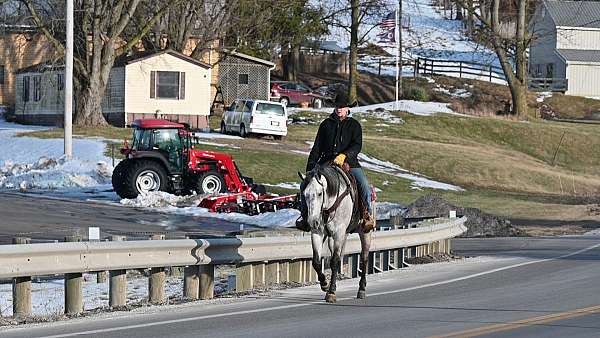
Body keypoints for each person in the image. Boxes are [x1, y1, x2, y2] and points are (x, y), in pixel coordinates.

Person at [296, 90, 375, 232]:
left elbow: (357, 145)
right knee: (305, 185)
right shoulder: (325, 125)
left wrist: (345, 155)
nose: (339, 109)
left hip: (349, 163)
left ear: (347, 108)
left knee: (364, 185)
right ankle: (305, 216)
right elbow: (317, 147)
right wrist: (311, 167)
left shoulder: (354, 125)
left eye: (342, 107)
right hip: (325, 163)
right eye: (337, 106)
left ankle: (366, 215)